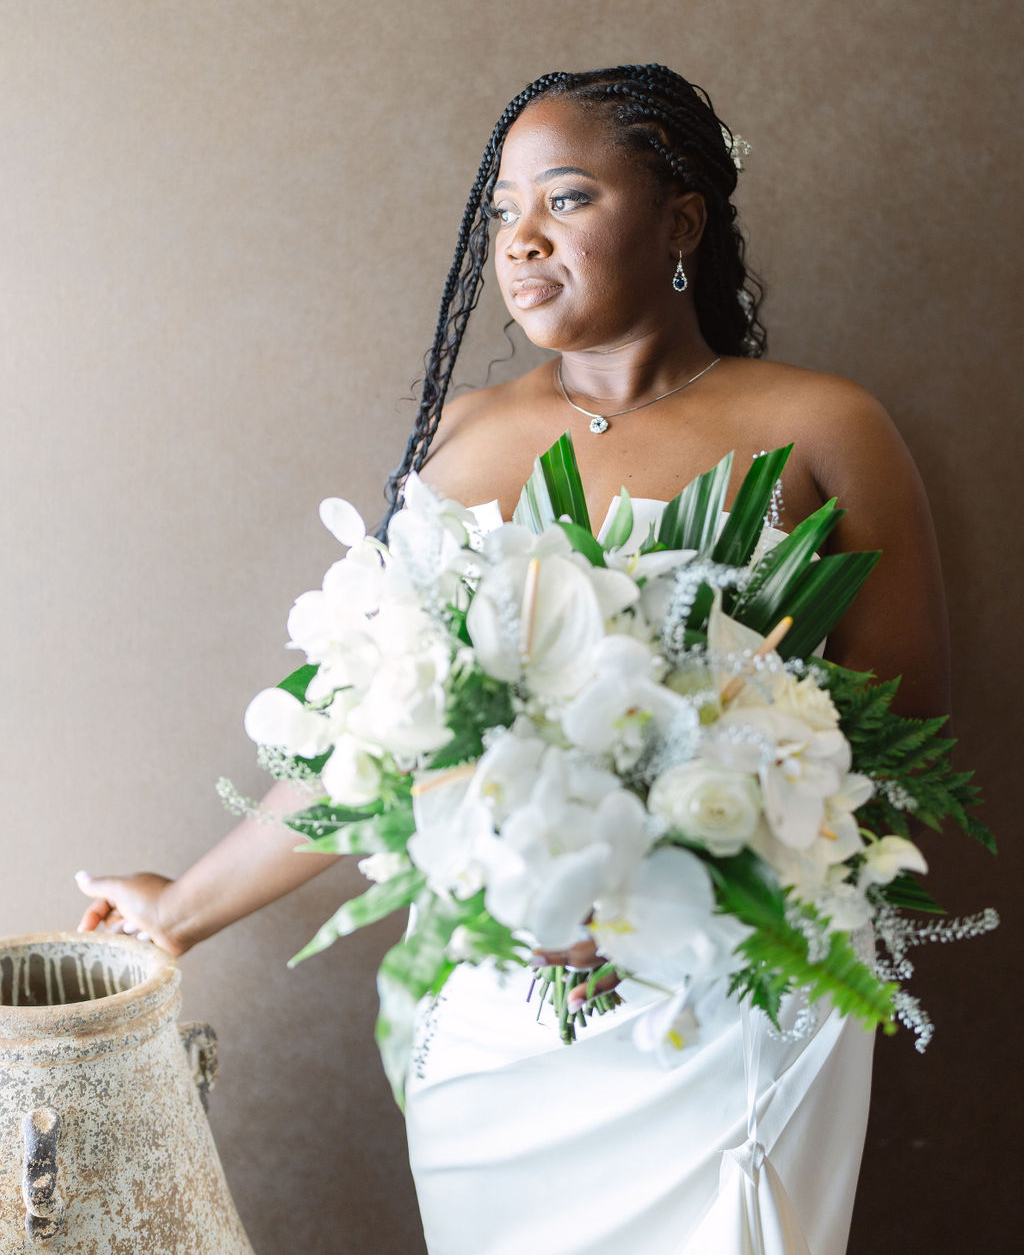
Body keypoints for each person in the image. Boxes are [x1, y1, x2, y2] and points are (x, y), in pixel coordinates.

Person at [77, 64, 950, 1255]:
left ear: (679, 222)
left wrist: (666, 861)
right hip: (501, 1006)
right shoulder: (461, 439)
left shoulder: (823, 427)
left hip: (727, 995)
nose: (520, 238)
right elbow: (370, 732)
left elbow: (897, 747)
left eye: (568, 198)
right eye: (502, 211)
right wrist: (179, 911)